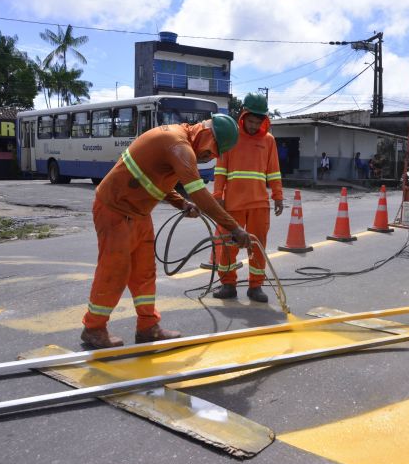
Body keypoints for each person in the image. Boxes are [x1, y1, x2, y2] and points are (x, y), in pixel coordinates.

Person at [80, 114, 251, 349]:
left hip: (138, 213)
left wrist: (181, 203)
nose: (209, 157)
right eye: (212, 151)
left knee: (144, 273)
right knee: (115, 270)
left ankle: (148, 327)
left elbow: (156, 180)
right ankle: (93, 329)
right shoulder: (178, 144)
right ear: (207, 135)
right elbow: (200, 193)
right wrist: (234, 227)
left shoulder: (178, 143)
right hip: (115, 209)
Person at [212, 93, 284, 303]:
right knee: (228, 246)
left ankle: (256, 286)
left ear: (264, 121)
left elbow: (274, 172)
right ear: (243, 116)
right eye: (250, 121)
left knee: (257, 247)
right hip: (232, 204)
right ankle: (228, 284)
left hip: (260, 204)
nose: (253, 126)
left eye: (257, 122)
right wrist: (218, 195)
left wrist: (278, 196)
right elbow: (221, 169)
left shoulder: (268, 141)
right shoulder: (231, 138)